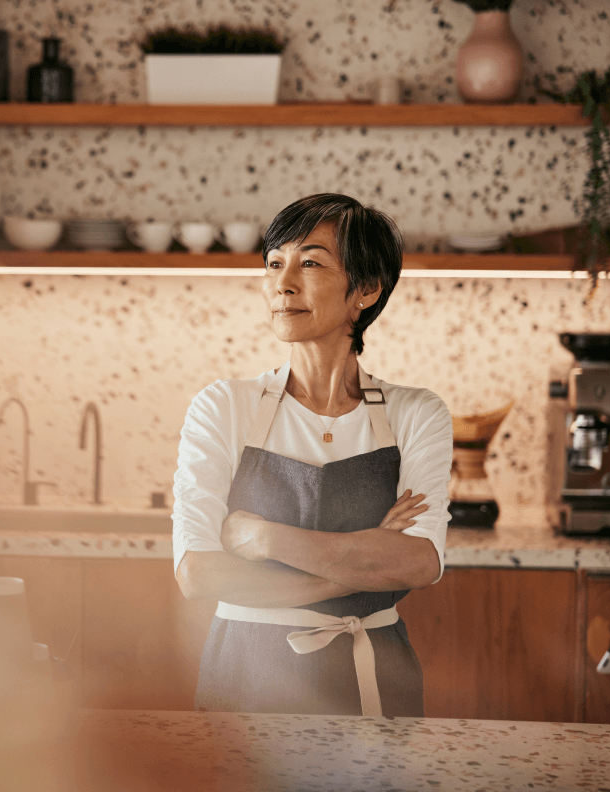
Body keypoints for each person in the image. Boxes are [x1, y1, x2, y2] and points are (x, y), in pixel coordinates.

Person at [172, 193, 452, 717]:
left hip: (374, 674)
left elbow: (418, 561)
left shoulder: (417, 413)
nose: (283, 282)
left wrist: (263, 537)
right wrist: (357, 567)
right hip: (247, 677)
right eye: (275, 263)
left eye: (312, 262)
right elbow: (199, 575)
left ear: (365, 290)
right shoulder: (224, 407)